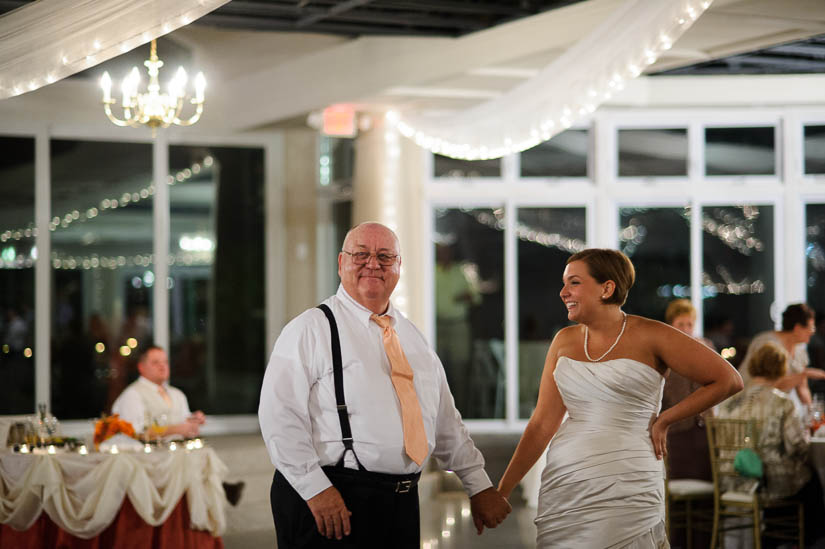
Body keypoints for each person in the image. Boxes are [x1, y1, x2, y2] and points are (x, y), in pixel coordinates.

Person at [259, 222, 511, 549]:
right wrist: (315, 489)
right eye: (361, 255)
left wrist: (478, 484)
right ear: (340, 263)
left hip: (401, 505)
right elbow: (279, 417)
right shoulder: (310, 329)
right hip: (333, 500)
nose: (373, 264)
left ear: (399, 266)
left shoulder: (412, 337)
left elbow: (445, 421)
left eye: (385, 256)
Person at [495, 248, 742, 548]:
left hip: (630, 481)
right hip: (567, 483)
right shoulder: (564, 341)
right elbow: (542, 424)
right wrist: (502, 491)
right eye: (564, 283)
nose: (562, 292)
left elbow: (728, 380)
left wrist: (666, 419)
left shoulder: (653, 335)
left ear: (607, 288)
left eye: (574, 282)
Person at [737, 304, 825, 417]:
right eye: (811, 328)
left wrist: (813, 415)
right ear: (797, 328)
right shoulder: (768, 344)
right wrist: (805, 374)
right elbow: (769, 384)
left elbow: (802, 388)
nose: (812, 332)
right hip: (750, 407)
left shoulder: (799, 349)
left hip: (773, 409)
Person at [661, 299, 714, 481]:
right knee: (679, 473)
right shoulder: (664, 350)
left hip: (705, 423)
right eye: (680, 324)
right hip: (677, 422)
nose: (685, 328)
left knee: (706, 472)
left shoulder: (706, 347)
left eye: (689, 324)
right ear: (671, 324)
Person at [111, 345, 205, 438]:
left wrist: (194, 420)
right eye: (155, 362)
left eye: (165, 362)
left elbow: (183, 422)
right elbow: (134, 433)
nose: (162, 366)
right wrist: (176, 430)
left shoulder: (177, 394)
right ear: (141, 367)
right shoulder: (132, 395)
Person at [435, 242, 480, 414]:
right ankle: (438, 413)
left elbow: (475, 296)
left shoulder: (461, 272)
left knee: (460, 370)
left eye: (446, 251)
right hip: (435, 325)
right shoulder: (429, 271)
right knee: (434, 370)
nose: (444, 254)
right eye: (441, 251)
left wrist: (465, 296)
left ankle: (462, 413)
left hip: (457, 325)